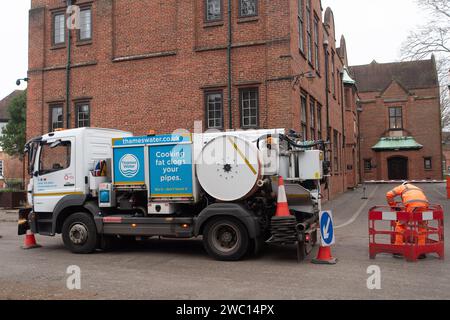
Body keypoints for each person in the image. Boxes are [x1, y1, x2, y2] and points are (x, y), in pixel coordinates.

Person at [386, 181, 428, 259]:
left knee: (401, 225)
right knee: (422, 226)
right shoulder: (416, 188)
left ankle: (398, 250)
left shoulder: (402, 187)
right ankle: (421, 251)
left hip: (412, 206)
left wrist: (393, 205)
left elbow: (389, 194)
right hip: (424, 205)